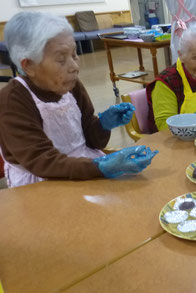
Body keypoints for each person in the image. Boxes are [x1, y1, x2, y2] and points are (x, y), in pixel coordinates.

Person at [0, 12, 157, 188]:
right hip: (41, 182)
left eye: (74, 55)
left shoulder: (70, 85)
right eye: (61, 60)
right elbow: (43, 162)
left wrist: (103, 125)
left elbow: (92, 141)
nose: (74, 66)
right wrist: (100, 166)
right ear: (28, 65)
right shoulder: (13, 100)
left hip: (82, 166)